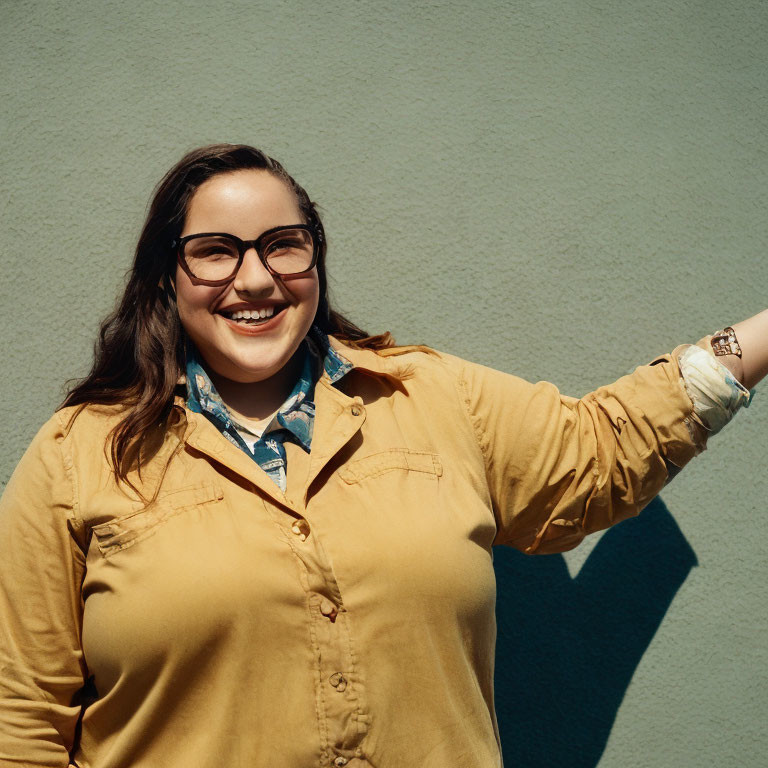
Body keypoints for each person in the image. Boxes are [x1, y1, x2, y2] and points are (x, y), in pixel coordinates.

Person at [0, 144, 765, 768]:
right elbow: (20, 722)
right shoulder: (78, 458)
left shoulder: (431, 399)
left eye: (282, 245)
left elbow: (601, 450)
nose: (256, 277)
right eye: (215, 252)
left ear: (316, 258)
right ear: (168, 275)